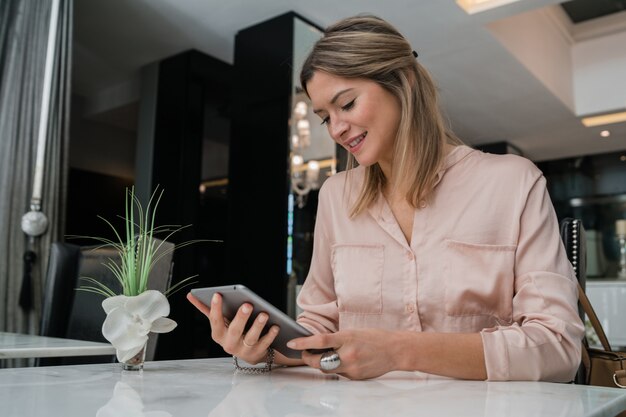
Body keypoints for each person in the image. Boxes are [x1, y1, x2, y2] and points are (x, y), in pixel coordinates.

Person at [187, 15, 584, 381]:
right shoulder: (336, 196)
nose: (337, 129)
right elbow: (321, 333)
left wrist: (398, 351)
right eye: (326, 117)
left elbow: (559, 347)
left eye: (347, 104)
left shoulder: (512, 182)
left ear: (404, 82)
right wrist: (264, 348)